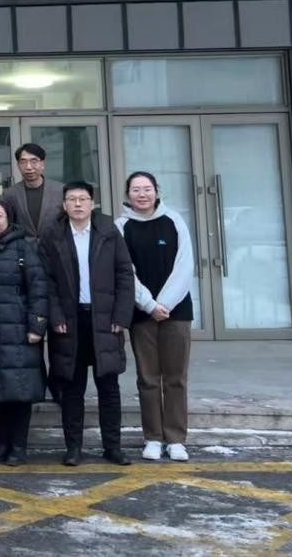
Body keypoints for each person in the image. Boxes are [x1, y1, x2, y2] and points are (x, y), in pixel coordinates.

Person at [40, 181, 135, 467]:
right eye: (72, 199)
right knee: (72, 389)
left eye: (83, 199)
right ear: (64, 205)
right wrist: (55, 316)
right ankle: (73, 448)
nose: (78, 204)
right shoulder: (53, 235)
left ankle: (113, 447)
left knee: (109, 388)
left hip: (105, 319)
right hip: (69, 322)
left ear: (92, 203)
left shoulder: (108, 231)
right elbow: (46, 281)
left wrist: (121, 316)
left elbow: (124, 274)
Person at [116, 171, 195, 463]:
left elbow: (185, 265)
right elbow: (125, 271)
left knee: (176, 377)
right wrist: (149, 305)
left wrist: (166, 303)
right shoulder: (121, 226)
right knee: (148, 378)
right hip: (142, 313)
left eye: (147, 189)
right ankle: (152, 437)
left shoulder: (174, 221)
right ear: (128, 194)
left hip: (177, 311)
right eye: (136, 189)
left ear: (156, 191)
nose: (142, 194)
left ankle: (176, 439)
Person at [0, 198, 49, 466]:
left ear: (8, 219)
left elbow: (38, 288)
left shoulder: (23, 248)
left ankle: (18, 447)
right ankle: (1, 444)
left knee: (20, 391)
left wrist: (37, 325)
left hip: (19, 331)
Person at [2, 143, 65, 239]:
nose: (29, 167)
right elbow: (8, 225)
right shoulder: (10, 194)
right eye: (23, 162)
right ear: (18, 165)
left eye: (34, 161)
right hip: (23, 247)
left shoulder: (60, 191)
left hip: (54, 245)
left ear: (42, 164)